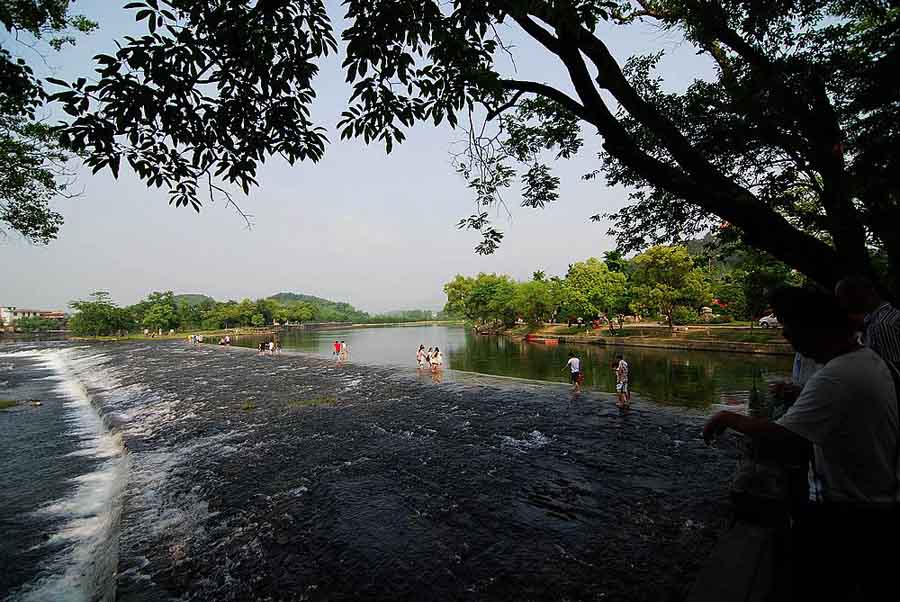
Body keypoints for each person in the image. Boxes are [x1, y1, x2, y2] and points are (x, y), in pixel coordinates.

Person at [703, 287, 899, 600]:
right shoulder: (862, 360)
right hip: (870, 501)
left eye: (788, 325)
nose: (785, 335)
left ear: (814, 328)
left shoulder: (837, 375)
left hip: (854, 512)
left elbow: (783, 439)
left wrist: (726, 418)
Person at [836, 275, 900, 370]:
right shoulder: (889, 314)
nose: (844, 305)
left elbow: (892, 372)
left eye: (847, 298)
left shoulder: (880, 326)